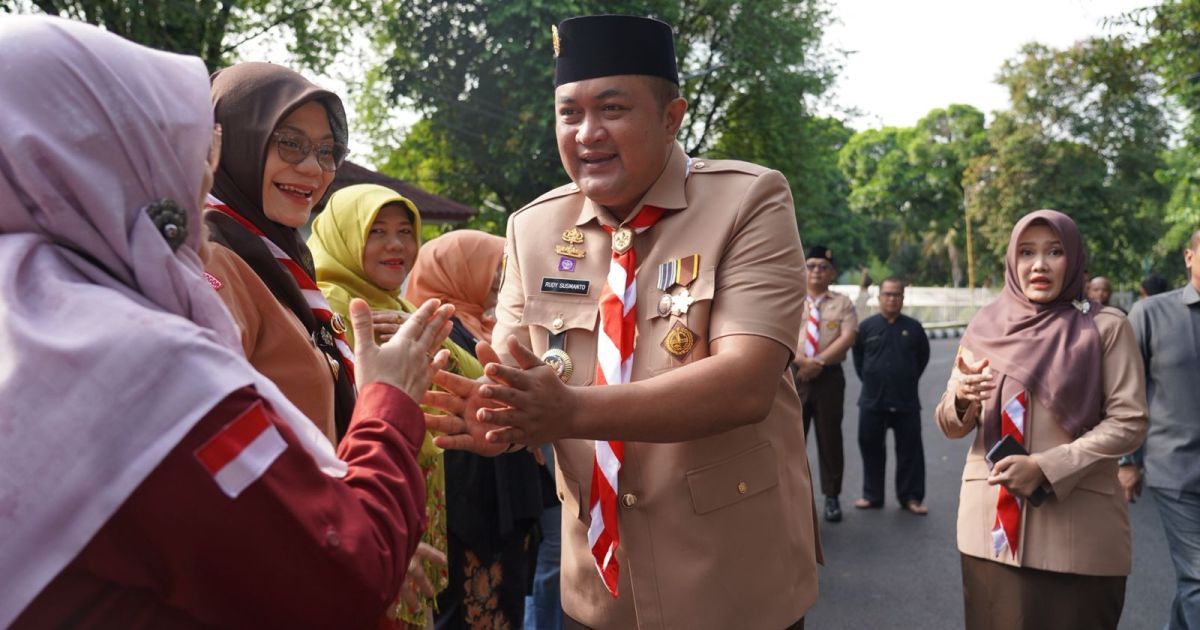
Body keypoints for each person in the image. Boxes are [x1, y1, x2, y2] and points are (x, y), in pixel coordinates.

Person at [0, 16, 457, 627]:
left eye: (327, 151)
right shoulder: (155, 342)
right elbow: (334, 574)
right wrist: (388, 400)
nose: (202, 170)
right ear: (99, 157)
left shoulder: (42, 308)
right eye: (176, 145)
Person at [426, 15, 821, 629]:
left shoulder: (748, 201)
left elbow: (746, 381)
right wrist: (498, 417)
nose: (587, 134)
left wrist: (570, 412)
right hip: (596, 591)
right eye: (568, 113)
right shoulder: (531, 229)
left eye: (612, 108)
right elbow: (514, 372)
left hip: (731, 583)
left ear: (671, 117)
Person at [936, 209, 1147, 629]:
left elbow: (1129, 422)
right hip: (991, 530)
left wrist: (1046, 467)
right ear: (1012, 261)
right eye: (1027, 252)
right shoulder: (986, 325)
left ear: (1073, 259)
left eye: (1054, 252)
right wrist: (960, 397)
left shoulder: (1105, 328)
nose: (1039, 265)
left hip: (1078, 532)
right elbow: (952, 424)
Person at [309, 183, 489, 628]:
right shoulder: (332, 304)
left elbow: (470, 380)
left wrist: (421, 327)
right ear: (345, 236)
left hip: (412, 485)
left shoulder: (401, 305)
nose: (396, 245)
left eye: (405, 232)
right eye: (378, 232)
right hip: (361, 488)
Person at [204, 61, 356, 441]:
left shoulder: (271, 256)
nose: (314, 169)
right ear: (233, 141)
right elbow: (215, 445)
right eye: (290, 143)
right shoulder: (210, 258)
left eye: (327, 151)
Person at [405, 230, 548, 630]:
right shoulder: (430, 327)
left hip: (503, 488)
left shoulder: (487, 325)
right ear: (457, 271)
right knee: (466, 612)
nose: (501, 282)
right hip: (466, 495)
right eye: (494, 270)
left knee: (503, 606)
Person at [1127, 229, 1200, 630]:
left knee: (1193, 580)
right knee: (1199, 577)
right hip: (1175, 470)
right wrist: (1127, 460)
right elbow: (1126, 393)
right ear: (1189, 257)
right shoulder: (1150, 314)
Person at [851, 277, 930, 514]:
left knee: (910, 452)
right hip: (873, 400)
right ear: (879, 297)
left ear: (903, 298)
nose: (892, 298)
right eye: (887, 294)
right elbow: (859, 361)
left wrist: (904, 377)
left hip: (906, 402)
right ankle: (872, 495)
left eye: (897, 294)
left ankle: (911, 497)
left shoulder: (914, 328)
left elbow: (921, 359)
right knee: (871, 448)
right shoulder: (866, 328)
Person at [793, 245, 859, 522]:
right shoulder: (791, 299)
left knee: (829, 437)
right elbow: (778, 331)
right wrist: (801, 361)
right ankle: (795, 500)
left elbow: (849, 335)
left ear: (832, 273)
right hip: (795, 374)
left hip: (829, 376)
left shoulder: (842, 302)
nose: (816, 271)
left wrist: (817, 362)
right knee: (793, 438)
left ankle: (831, 497)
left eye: (823, 267)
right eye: (811, 266)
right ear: (803, 269)